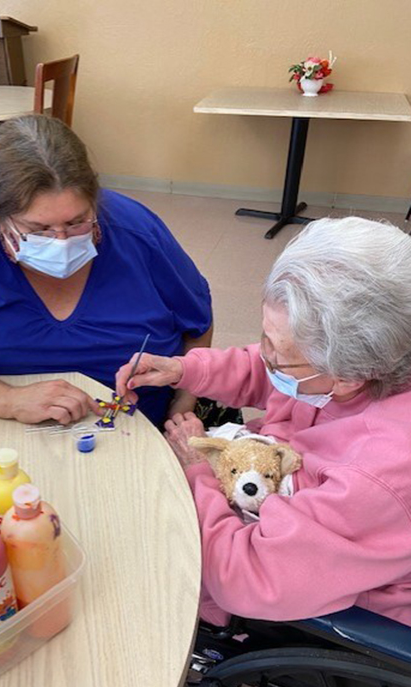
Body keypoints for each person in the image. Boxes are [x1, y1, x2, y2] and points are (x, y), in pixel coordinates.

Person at [116, 216, 411, 627]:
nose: (264, 353)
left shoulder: (378, 473)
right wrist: (183, 370)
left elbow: (245, 577)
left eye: (276, 349)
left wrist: (197, 472)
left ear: (348, 375)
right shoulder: (362, 355)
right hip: (277, 493)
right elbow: (268, 368)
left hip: (328, 598)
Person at [0, 115, 212, 427]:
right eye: (39, 229)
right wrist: (8, 400)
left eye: (77, 221)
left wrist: (182, 405)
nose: (62, 241)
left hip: (139, 428)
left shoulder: (135, 231)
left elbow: (197, 327)